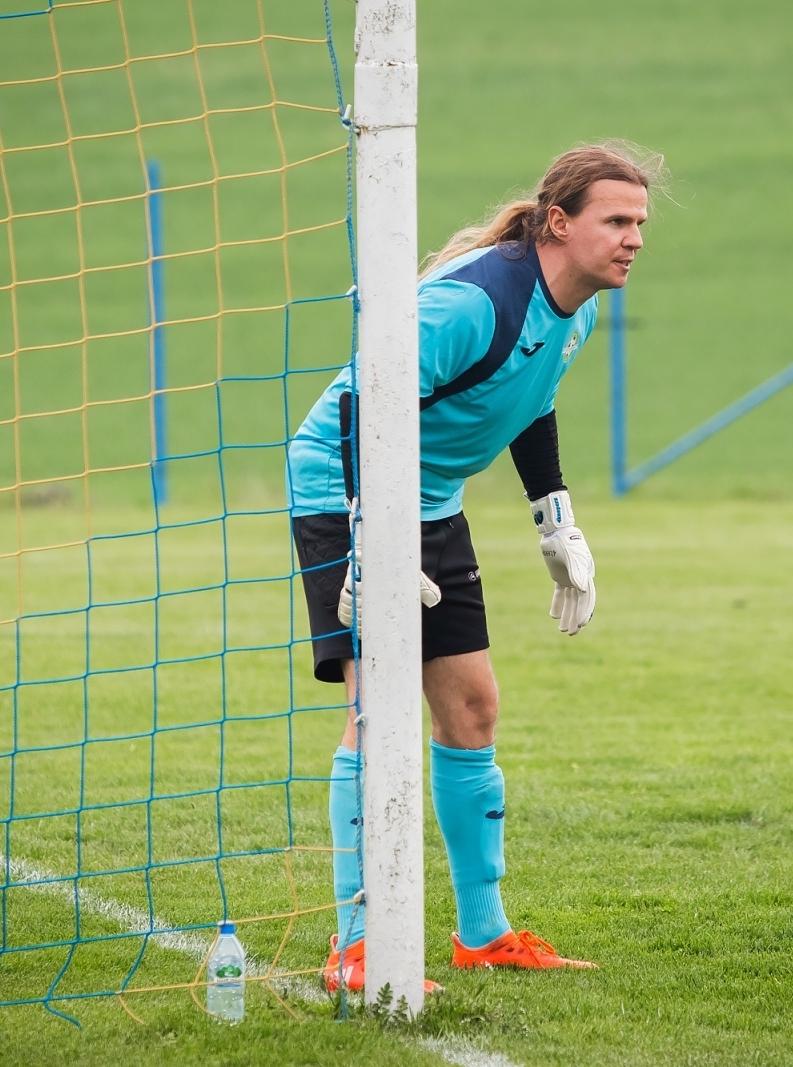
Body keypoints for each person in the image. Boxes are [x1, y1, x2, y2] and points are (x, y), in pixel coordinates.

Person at [286, 142, 662, 992]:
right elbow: (357, 401)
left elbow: (533, 400)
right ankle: (356, 948)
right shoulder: (472, 301)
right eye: (617, 220)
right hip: (342, 482)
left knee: (473, 708)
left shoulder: (582, 306)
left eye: (640, 222)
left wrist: (554, 521)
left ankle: (483, 935)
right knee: (374, 708)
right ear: (560, 223)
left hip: (429, 499)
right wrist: (364, 532)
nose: (634, 238)